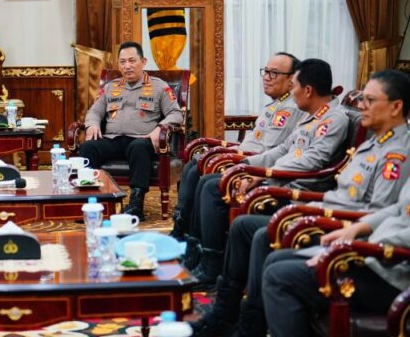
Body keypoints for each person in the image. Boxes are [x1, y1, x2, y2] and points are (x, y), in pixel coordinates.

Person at [192, 70, 410, 336]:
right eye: (362, 99)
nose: (362, 105)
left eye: (370, 100)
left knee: (273, 260)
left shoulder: (398, 155)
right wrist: (256, 170)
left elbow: (377, 212)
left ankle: (247, 326)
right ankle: (230, 316)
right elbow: (390, 210)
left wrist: (349, 238)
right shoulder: (374, 143)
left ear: (396, 107)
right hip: (343, 225)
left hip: (374, 254)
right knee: (252, 234)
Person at [189, 59, 350, 287]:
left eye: (294, 86)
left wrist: (264, 174)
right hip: (277, 181)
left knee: (215, 188)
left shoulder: (333, 120)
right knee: (212, 181)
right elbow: (282, 149)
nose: (292, 92)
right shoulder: (311, 114)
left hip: (296, 191)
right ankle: (200, 253)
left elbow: (313, 161)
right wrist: (247, 164)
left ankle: (213, 264)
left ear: (308, 90)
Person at [171, 52, 304, 240]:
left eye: (274, 73)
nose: (266, 77)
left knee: (201, 175)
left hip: (254, 165)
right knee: (194, 164)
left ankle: (191, 237)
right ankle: (184, 229)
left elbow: (265, 150)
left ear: (291, 80)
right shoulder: (277, 104)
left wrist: (229, 154)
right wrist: (226, 151)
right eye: (265, 71)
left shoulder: (288, 108)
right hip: (244, 157)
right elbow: (253, 142)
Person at [263, 168, 410, 337]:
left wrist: (358, 248)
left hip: (394, 273)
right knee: (276, 258)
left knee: (278, 277)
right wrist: (356, 229)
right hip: (375, 256)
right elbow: (399, 208)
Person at [78, 41, 183, 220]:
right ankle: (91, 202)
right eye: (123, 62)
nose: (127, 66)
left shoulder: (159, 86)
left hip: (142, 140)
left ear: (143, 61)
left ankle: (136, 204)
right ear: (118, 65)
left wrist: (160, 128)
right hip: (113, 140)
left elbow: (176, 114)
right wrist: (92, 124)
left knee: (138, 147)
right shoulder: (110, 87)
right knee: (88, 147)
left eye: (132, 61)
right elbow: (94, 111)